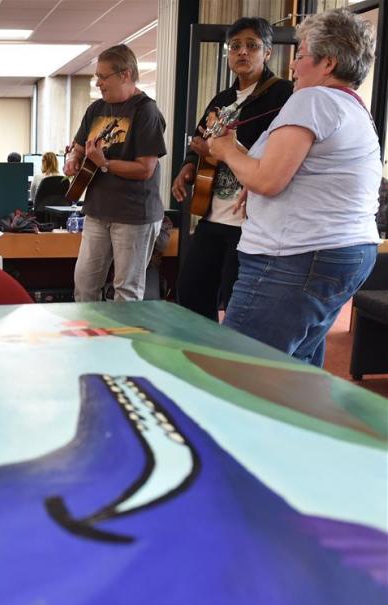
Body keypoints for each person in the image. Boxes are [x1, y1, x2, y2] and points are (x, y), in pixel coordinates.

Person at [208, 8, 380, 367]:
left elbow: (269, 180)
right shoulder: (351, 108)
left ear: (327, 63)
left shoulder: (312, 99)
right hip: (339, 252)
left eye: (300, 56)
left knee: (240, 370)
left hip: (295, 258)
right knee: (294, 372)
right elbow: (291, 172)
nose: (292, 67)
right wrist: (248, 170)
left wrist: (225, 151)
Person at [173, 18, 293, 321]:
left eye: (251, 46)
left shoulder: (283, 95)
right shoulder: (222, 100)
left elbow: (276, 153)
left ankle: (228, 364)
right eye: (235, 46)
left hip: (252, 220)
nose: (242, 52)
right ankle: (199, 358)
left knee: (236, 303)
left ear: (267, 52)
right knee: (190, 292)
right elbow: (199, 139)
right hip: (213, 212)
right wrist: (188, 165)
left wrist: (225, 151)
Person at [66, 44, 166, 301]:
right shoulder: (95, 109)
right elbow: (78, 148)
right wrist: (72, 160)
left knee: (126, 291)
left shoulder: (147, 111)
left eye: (103, 76)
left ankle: (120, 342)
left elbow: (145, 168)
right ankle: (89, 339)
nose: (98, 83)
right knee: (85, 284)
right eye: (96, 76)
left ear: (125, 74)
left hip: (134, 216)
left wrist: (105, 163)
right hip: (97, 212)